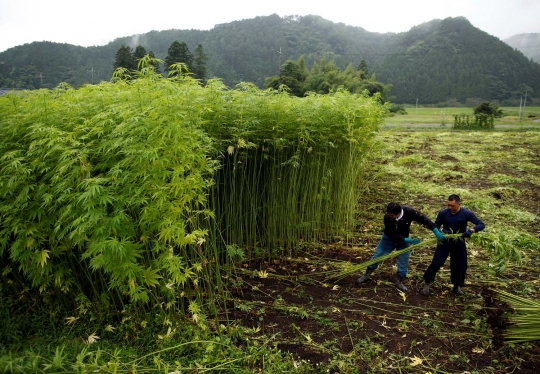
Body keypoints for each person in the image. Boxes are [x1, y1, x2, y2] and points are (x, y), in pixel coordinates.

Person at [357, 202, 446, 291]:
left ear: (398, 213)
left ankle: (399, 281)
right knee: (378, 256)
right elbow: (390, 233)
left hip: (403, 241)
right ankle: (366, 275)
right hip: (389, 239)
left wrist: (435, 230)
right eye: (388, 214)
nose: (389, 216)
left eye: (391, 215)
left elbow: (423, 219)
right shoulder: (387, 217)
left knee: (404, 261)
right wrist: (406, 240)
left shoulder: (409, 212)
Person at [422, 194, 485, 296]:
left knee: (459, 264)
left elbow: (481, 224)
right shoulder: (443, 213)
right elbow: (436, 225)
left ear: (459, 204)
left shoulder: (466, 213)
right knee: (436, 262)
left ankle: (456, 286)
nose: (450, 207)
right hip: (445, 240)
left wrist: (471, 230)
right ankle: (427, 282)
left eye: (452, 206)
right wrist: (440, 232)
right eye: (448, 205)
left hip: (458, 241)